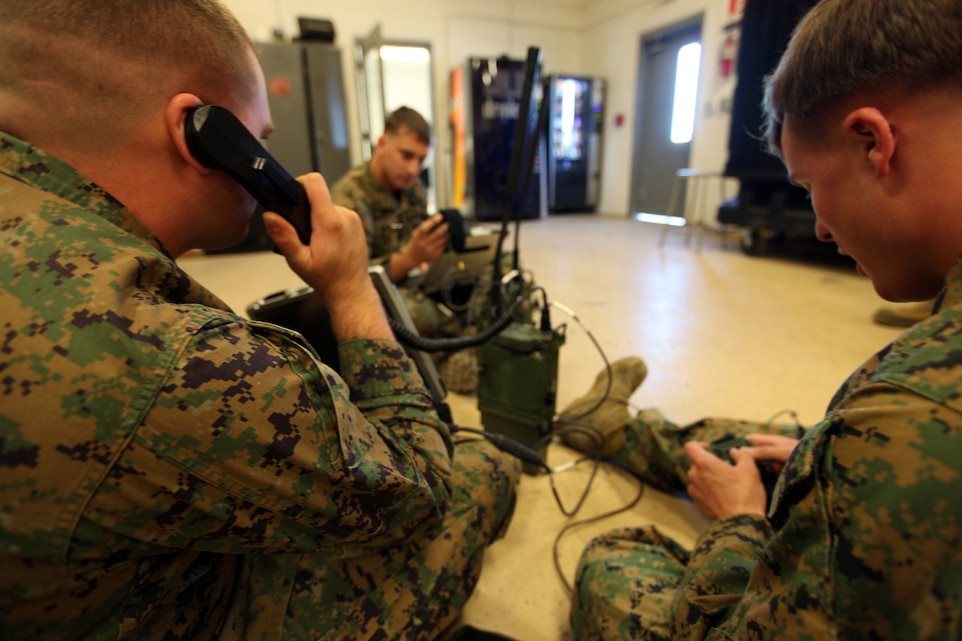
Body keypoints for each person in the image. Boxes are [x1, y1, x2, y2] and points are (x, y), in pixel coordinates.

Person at [0, 3, 519, 640]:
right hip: (198, 607)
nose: (268, 158)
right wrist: (354, 288)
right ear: (204, 134)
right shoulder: (167, 353)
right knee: (483, 466)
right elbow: (417, 492)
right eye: (261, 141)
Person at [564, 0, 962, 639]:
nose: (821, 227)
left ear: (873, 142)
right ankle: (609, 428)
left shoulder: (910, 408)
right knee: (771, 449)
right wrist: (820, 461)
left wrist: (738, 525)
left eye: (809, 187)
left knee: (615, 559)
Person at [332, 107, 481, 393]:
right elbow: (349, 284)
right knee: (422, 312)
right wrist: (411, 257)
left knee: (478, 281)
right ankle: (447, 355)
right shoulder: (350, 199)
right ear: (382, 144)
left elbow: (420, 245)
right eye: (406, 155)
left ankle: (457, 348)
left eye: (421, 159)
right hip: (373, 298)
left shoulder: (414, 189)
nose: (414, 169)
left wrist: (434, 255)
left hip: (412, 280)